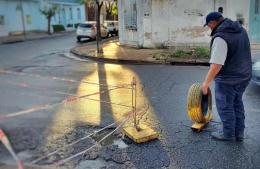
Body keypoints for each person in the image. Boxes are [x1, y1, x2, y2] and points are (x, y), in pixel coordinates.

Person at [202, 12, 252, 141]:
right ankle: (239, 133)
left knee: (225, 106)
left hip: (228, 79)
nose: (210, 28)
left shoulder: (221, 37)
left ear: (213, 22)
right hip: (244, 75)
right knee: (237, 104)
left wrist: (206, 83)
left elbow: (217, 65)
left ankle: (228, 134)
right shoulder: (241, 30)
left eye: (208, 26)